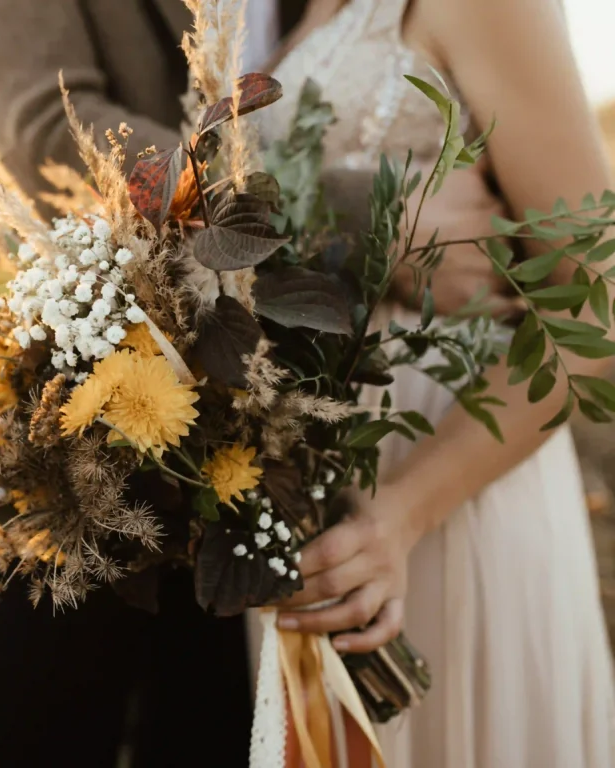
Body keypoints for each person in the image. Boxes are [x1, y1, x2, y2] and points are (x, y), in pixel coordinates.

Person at [0, 0, 524, 765]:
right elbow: (50, 138)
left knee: (217, 733)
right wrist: (361, 219)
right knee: (43, 725)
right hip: (69, 407)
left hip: (261, 421)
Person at [242, 0, 615, 766]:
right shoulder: (287, 16)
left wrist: (401, 515)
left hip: (450, 496)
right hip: (319, 526)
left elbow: (595, 308)